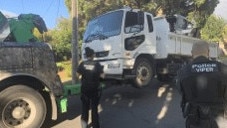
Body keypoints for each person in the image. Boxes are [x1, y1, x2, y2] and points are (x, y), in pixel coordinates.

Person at [176, 41, 227, 128]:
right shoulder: (222, 68)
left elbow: (181, 92)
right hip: (219, 121)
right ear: (208, 52)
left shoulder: (183, 71)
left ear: (192, 53)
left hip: (194, 121)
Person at [77, 47, 105, 128]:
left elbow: (77, 75)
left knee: (85, 108)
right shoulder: (97, 64)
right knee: (94, 109)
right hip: (94, 89)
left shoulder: (82, 64)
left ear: (86, 55)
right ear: (92, 55)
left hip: (85, 89)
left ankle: (84, 126)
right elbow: (103, 76)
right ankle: (95, 126)